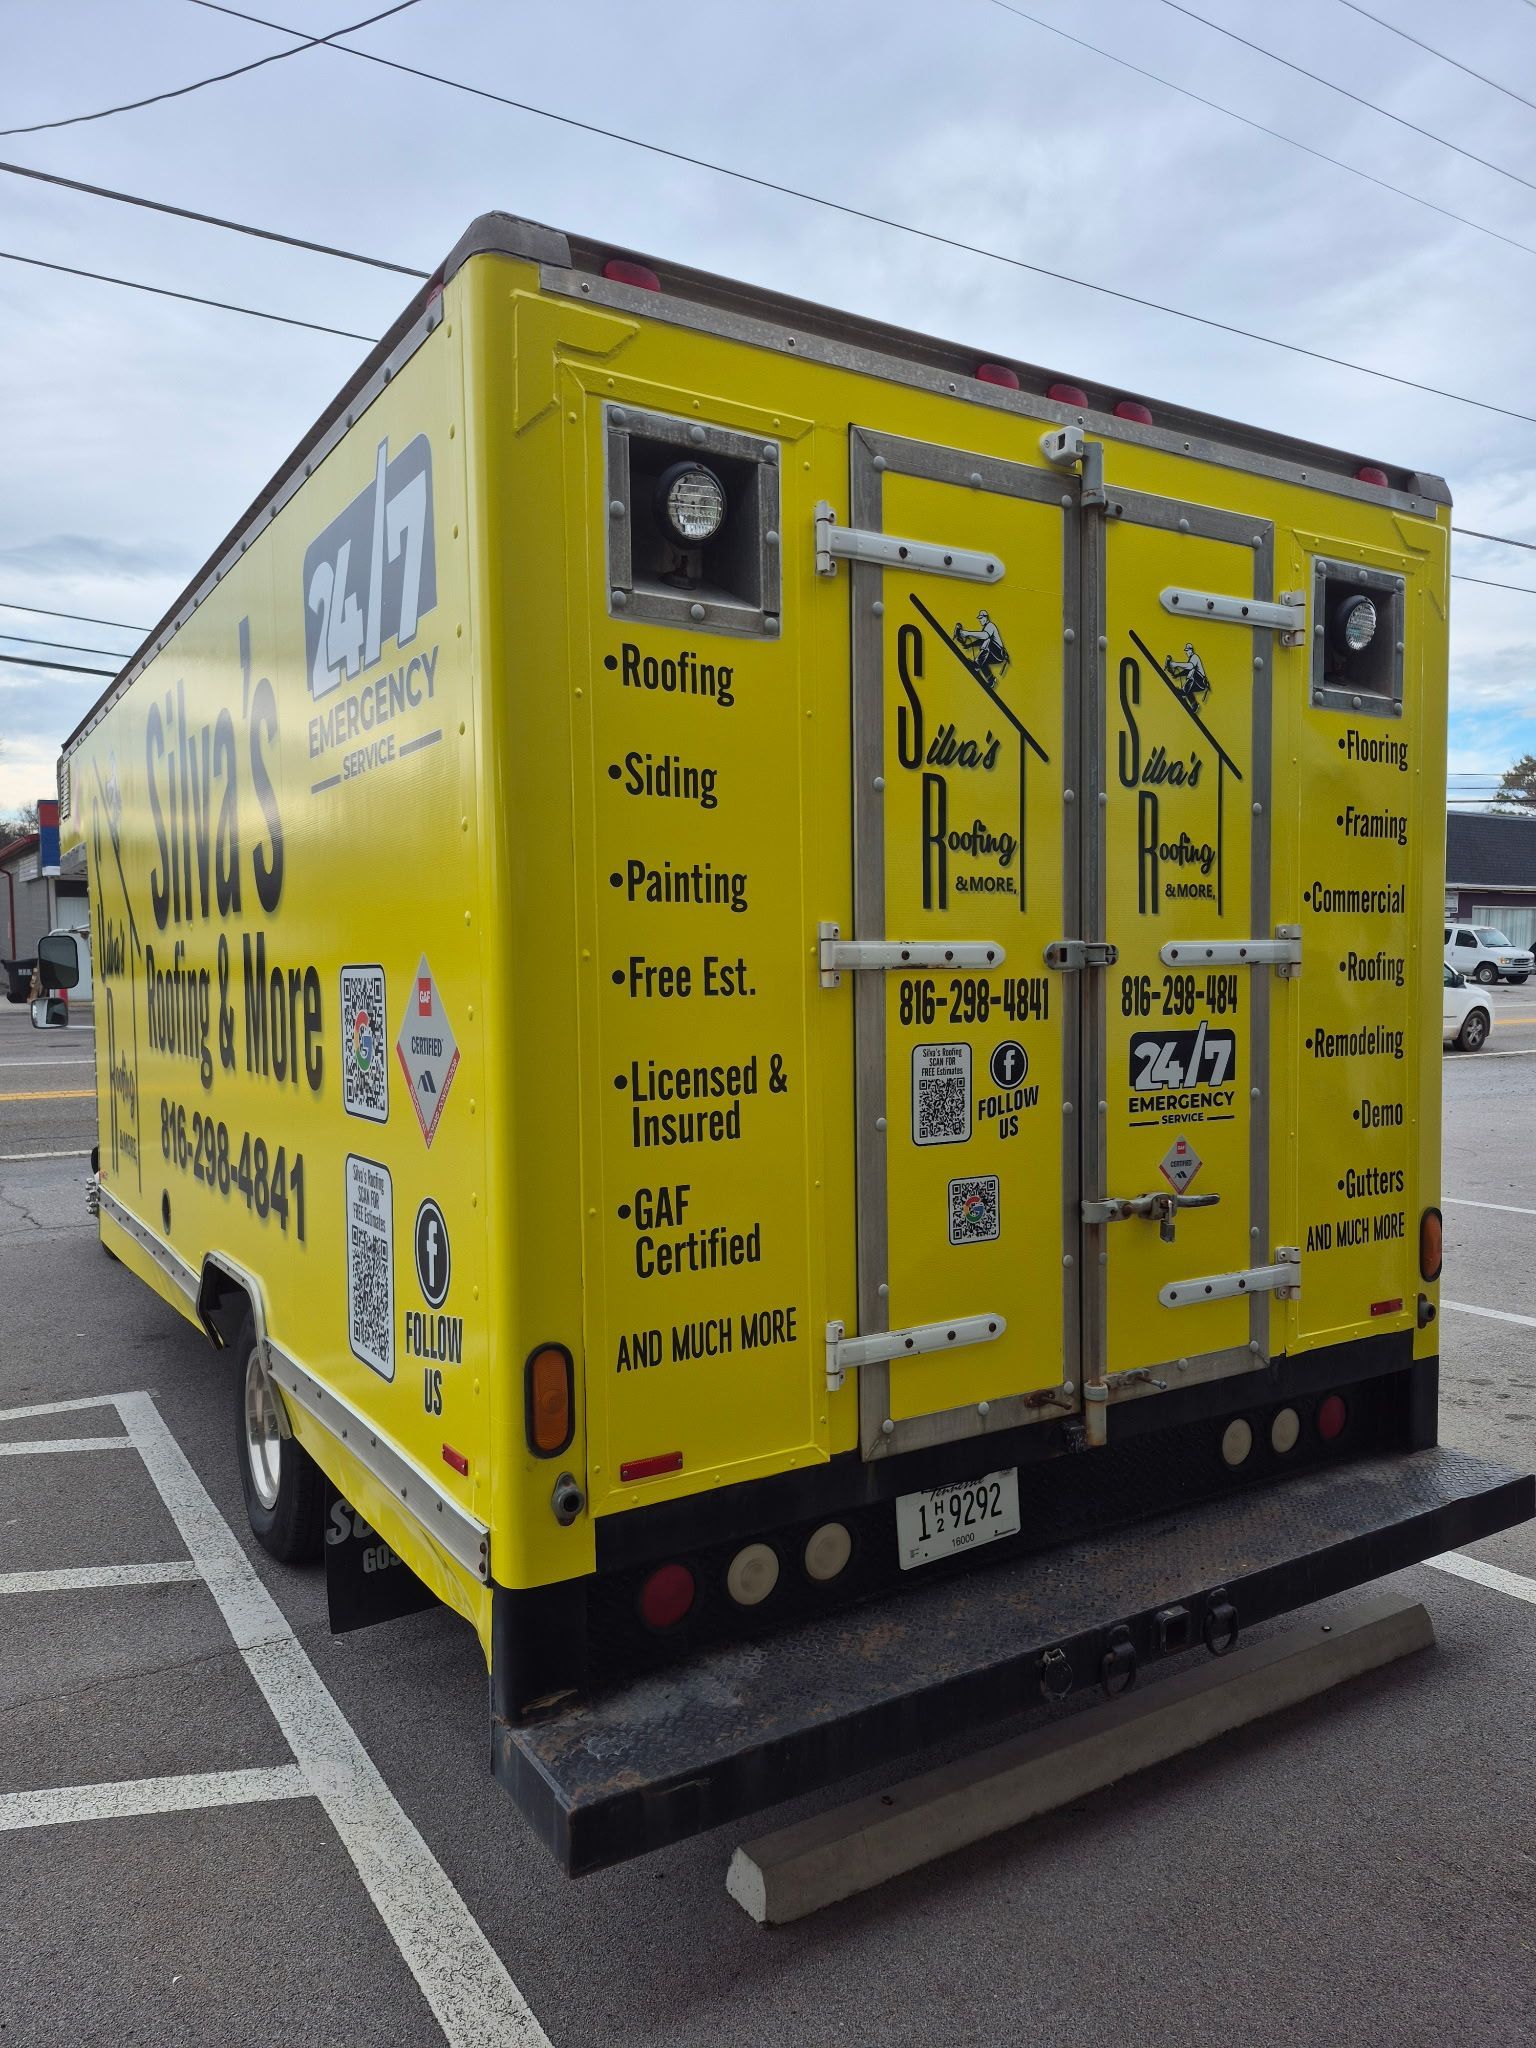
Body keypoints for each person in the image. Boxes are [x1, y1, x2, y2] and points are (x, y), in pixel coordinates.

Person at [954, 610, 1010, 688]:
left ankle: (976, 665)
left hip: (999, 653)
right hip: (995, 655)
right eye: (979, 619)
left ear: (986, 617)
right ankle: (991, 680)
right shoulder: (986, 629)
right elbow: (981, 640)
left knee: (988, 640)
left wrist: (967, 633)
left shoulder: (990, 625)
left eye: (981, 618)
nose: (980, 620)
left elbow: (985, 636)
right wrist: (969, 645)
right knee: (983, 662)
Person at [1166, 641, 1211, 714]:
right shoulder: (1191, 660)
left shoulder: (1195, 657)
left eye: (1188, 650)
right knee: (1188, 691)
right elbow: (1186, 671)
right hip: (1198, 684)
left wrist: (1174, 664)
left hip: (1201, 682)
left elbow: (1190, 666)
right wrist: (1177, 675)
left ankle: (1182, 691)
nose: (1187, 652)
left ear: (1191, 650)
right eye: (1186, 651)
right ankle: (1194, 705)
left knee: (1192, 672)